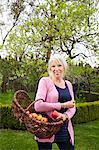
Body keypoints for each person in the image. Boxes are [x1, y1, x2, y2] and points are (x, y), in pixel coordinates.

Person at [34, 54, 76, 150]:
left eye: (59, 65)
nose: (56, 68)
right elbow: (38, 105)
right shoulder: (45, 81)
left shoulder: (68, 84)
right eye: (53, 66)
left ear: (64, 67)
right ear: (49, 69)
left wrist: (65, 116)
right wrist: (62, 105)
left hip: (64, 128)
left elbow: (72, 106)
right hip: (46, 128)